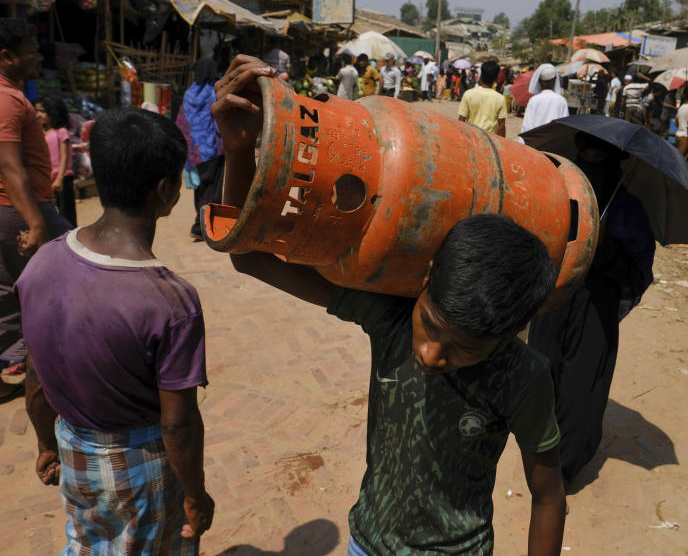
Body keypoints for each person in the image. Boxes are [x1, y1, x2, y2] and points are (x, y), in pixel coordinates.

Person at [214, 55, 566, 556]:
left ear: (507, 337)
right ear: (422, 283)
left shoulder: (524, 377)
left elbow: (548, 495)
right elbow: (249, 259)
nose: (430, 355)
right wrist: (240, 149)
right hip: (368, 543)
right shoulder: (392, 320)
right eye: (432, 325)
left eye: (464, 349)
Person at [19, 107, 214, 554]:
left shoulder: (42, 263)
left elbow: (35, 379)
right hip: (141, 468)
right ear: (165, 191)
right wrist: (196, 494)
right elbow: (179, 424)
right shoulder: (171, 301)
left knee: (87, 544)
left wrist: (47, 444)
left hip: (73, 445)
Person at [527, 132, 655, 483]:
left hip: (596, 305)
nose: (590, 167)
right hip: (553, 296)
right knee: (542, 371)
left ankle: (566, 465)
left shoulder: (627, 210)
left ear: (615, 166)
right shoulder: (559, 193)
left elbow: (637, 269)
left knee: (582, 385)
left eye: (599, 160)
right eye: (584, 158)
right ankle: (537, 445)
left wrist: (605, 248)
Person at [0, 20, 72, 397]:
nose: (38, 57)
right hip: (23, 208)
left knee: (11, 293)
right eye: (31, 50)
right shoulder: (8, 99)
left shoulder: (11, 94)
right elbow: (10, 166)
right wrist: (35, 221)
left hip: (16, 207)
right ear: (6, 57)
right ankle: (46, 371)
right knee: (72, 273)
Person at [175, 57, 223, 242]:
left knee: (200, 188)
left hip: (194, 150)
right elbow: (219, 121)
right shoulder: (214, 92)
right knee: (213, 187)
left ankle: (201, 225)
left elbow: (181, 121)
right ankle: (201, 226)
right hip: (212, 148)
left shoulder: (189, 93)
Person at [35, 95, 76, 227]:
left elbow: (64, 156)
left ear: (53, 112)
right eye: (37, 111)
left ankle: (70, 237)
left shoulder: (61, 131)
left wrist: (59, 178)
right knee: (50, 213)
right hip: (47, 178)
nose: (38, 115)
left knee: (66, 212)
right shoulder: (41, 132)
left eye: (42, 111)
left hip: (63, 177)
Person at [458, 61, 508, 137]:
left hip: (471, 137)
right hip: (490, 141)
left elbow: (461, 120)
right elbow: (501, 126)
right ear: (496, 78)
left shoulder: (468, 94)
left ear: (481, 76)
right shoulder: (500, 99)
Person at [521, 64, 569, 132]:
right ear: (555, 80)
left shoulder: (534, 100)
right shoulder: (562, 100)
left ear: (539, 81)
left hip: (535, 140)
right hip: (555, 140)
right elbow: (564, 126)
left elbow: (526, 125)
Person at [674, 90, 688, 158]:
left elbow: (675, 122)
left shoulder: (681, 107)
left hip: (678, 135)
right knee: (680, 159)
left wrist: (681, 127)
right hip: (684, 137)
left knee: (679, 157)